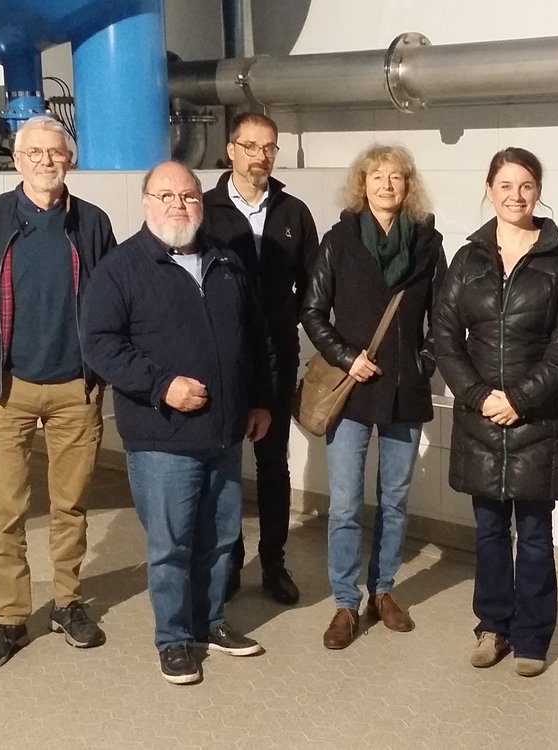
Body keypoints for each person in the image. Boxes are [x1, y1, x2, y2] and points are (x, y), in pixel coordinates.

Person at [80, 160, 273, 685]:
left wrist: (259, 400)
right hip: (162, 436)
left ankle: (210, 622)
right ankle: (174, 639)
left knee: (221, 537)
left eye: (188, 196)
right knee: (170, 545)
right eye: (165, 196)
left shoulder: (226, 262)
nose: (178, 205)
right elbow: (100, 345)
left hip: (224, 432)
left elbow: (254, 339)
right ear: (146, 203)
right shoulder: (121, 268)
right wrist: (162, 385)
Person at [0, 115, 115, 671]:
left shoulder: (92, 222)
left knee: (71, 507)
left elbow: (112, 302)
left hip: (75, 390)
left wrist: (110, 368)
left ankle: (68, 603)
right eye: (35, 153)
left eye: (56, 152)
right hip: (5, 390)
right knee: (7, 511)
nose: (47, 161)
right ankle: (10, 618)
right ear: (17, 160)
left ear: (70, 160)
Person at [432, 147, 558, 677]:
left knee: (537, 535)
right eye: (505, 185)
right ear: (489, 189)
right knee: (489, 532)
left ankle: (532, 637)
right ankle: (493, 627)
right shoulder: (468, 258)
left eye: (526, 185)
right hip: (480, 419)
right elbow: (445, 335)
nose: (515, 195)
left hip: (540, 421)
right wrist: (479, 396)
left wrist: (520, 399)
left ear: (538, 191)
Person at [302, 144, 446, 650]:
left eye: (396, 177)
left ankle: (383, 591)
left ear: (409, 186)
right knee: (345, 505)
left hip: (405, 390)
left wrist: (424, 362)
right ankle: (345, 603)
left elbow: (443, 317)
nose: (387, 185)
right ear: (361, 184)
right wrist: (346, 358)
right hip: (353, 390)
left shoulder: (427, 243)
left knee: (395, 500)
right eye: (377, 176)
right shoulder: (339, 240)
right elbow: (312, 311)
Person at [201, 112, 319, 606]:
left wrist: (290, 325)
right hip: (222, 357)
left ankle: (274, 563)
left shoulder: (294, 213)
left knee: (273, 464)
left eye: (268, 147)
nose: (260, 156)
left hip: (275, 357)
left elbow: (314, 287)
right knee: (224, 463)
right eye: (250, 146)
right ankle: (228, 562)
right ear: (231, 150)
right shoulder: (203, 209)